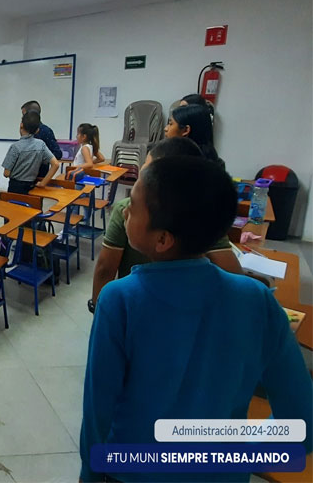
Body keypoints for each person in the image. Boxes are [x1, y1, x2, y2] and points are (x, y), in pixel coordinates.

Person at [79, 155, 313, 482]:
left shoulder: (119, 300)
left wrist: (90, 475)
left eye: (132, 204)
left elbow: (97, 410)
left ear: (162, 239)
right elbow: (302, 424)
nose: (125, 211)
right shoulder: (257, 299)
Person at [89, 136, 242, 313]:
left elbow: (105, 268)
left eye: (148, 168)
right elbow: (233, 276)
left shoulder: (120, 296)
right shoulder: (206, 214)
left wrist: (97, 307)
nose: (126, 212)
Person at [2, 111, 60, 194]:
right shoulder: (41, 145)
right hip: (32, 187)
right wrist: (43, 183)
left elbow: (6, 173)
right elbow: (56, 164)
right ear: (37, 130)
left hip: (15, 188)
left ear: (21, 125)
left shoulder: (15, 147)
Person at [20, 101, 62, 177]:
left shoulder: (46, 131)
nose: (22, 118)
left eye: (24, 115)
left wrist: (40, 159)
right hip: (23, 175)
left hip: (39, 176)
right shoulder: (24, 130)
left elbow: (58, 153)